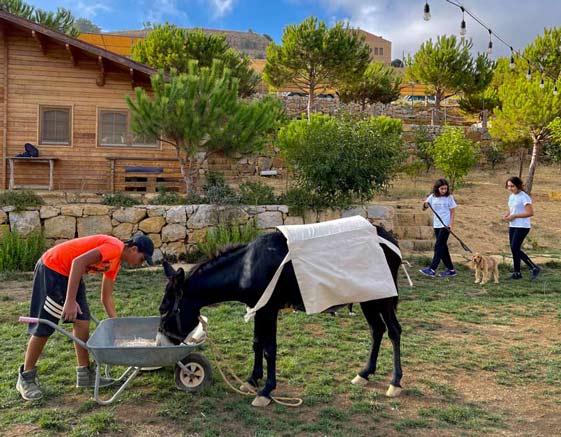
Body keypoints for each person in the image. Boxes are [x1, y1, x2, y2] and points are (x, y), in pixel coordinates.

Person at [16, 234, 155, 401]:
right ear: (133, 249)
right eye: (142, 259)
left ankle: (85, 374)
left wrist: (117, 325)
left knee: (82, 321)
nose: (141, 263)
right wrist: (70, 301)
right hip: (53, 268)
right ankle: (26, 377)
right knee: (45, 327)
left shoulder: (115, 262)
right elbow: (78, 262)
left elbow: (106, 298)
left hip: (70, 274)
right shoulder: (114, 247)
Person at [502, 176, 541, 280]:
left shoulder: (524, 197)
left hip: (522, 226)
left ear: (518, 186)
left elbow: (530, 213)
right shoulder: (511, 196)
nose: (510, 188)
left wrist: (514, 216)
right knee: (514, 249)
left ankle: (534, 267)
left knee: (515, 248)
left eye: (512, 186)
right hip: (513, 225)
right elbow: (513, 209)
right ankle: (517, 273)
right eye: (508, 186)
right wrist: (507, 215)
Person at [420, 178, 457, 277]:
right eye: (442, 189)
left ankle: (432, 269)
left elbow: (453, 212)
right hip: (436, 225)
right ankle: (451, 270)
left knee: (438, 246)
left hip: (445, 225)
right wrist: (425, 204)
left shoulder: (449, 197)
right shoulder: (432, 197)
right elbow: (424, 208)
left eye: (445, 188)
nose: (444, 190)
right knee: (443, 248)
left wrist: (451, 224)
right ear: (437, 188)